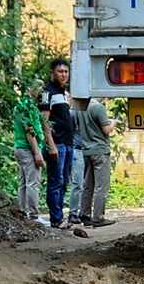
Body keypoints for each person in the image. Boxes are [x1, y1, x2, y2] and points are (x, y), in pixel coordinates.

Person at [40, 58, 78, 230]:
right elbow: (44, 120)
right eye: (60, 71)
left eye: (66, 71)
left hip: (68, 143)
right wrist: (51, 144)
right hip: (57, 144)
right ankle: (56, 218)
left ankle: (60, 216)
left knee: (64, 182)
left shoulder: (63, 93)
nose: (63, 74)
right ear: (52, 73)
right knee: (55, 181)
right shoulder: (47, 92)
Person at [72, 93, 113, 234]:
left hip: (87, 150)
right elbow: (106, 130)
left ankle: (85, 214)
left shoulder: (81, 107)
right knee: (101, 186)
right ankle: (98, 217)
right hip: (100, 150)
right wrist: (113, 123)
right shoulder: (99, 107)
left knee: (87, 185)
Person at [9, 86, 49, 224]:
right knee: (32, 183)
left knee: (23, 182)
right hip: (27, 149)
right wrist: (37, 152)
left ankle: (22, 212)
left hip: (19, 147)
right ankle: (33, 215)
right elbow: (29, 129)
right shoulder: (28, 106)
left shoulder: (20, 105)